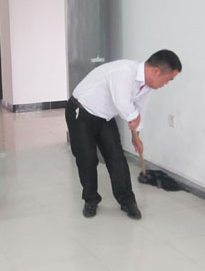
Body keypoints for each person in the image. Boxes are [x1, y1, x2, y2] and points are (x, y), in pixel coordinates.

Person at [65, 50, 182, 220]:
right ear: (157, 71)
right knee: (87, 159)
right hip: (82, 111)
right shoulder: (124, 71)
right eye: (169, 79)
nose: (167, 83)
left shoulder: (147, 86)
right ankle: (90, 200)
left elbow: (140, 110)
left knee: (117, 158)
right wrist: (134, 117)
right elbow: (122, 104)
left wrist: (136, 137)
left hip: (105, 117)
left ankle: (127, 201)